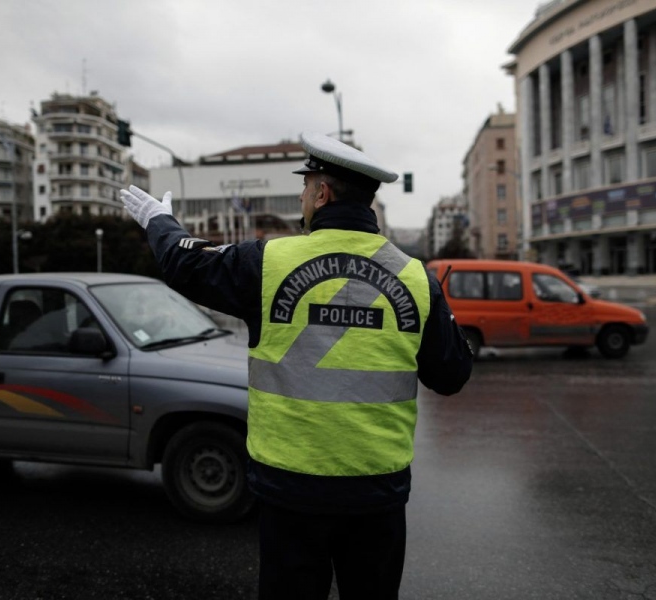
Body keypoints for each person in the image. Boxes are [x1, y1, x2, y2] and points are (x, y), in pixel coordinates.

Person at [121, 132, 473, 600]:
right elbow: (451, 377)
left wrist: (159, 221)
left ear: (322, 193)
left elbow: (187, 266)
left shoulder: (268, 262)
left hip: (290, 492)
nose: (303, 197)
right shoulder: (414, 277)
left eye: (306, 187)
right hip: (376, 493)